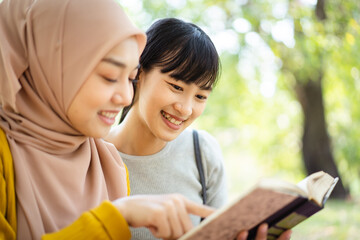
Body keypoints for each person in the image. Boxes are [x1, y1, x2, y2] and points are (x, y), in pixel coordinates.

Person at [0, 1, 215, 240]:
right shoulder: (4, 155)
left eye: (130, 77)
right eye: (109, 76)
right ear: (49, 64)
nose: (126, 97)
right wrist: (116, 218)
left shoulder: (107, 165)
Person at [105, 18, 292, 240]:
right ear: (139, 72)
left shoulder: (201, 152)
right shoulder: (90, 157)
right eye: (176, 86)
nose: (185, 109)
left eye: (200, 96)